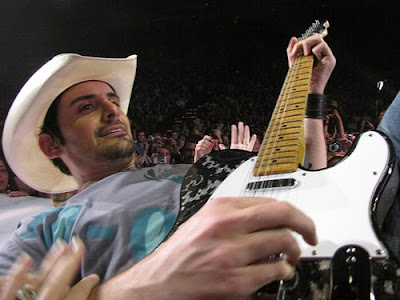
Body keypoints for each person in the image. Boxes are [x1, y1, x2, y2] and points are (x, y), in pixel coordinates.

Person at [0, 34, 334, 299]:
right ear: (51, 144)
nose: (112, 110)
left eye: (113, 100)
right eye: (86, 106)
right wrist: (142, 288)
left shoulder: (193, 171)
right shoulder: (45, 226)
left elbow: (306, 190)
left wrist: (310, 93)